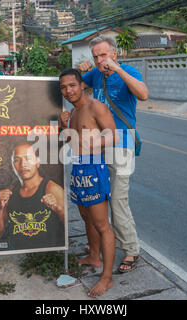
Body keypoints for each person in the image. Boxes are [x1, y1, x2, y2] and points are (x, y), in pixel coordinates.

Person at [78, 35, 149, 273]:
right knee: (97, 198)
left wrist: (118, 70)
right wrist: (80, 70)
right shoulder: (95, 74)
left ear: (114, 54)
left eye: (103, 55)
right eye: (95, 57)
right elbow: (73, 86)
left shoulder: (127, 71)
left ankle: (131, 249)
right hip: (97, 145)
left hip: (121, 144)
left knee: (118, 200)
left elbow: (143, 94)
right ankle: (99, 245)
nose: (99, 60)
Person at [59, 68, 118, 297]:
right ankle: (94, 255)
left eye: (72, 85)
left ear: (82, 85)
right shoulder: (72, 113)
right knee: (86, 216)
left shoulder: (96, 107)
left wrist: (92, 145)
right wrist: (63, 127)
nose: (68, 91)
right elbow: (70, 142)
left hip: (94, 168)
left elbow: (113, 135)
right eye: (63, 87)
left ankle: (107, 277)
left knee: (103, 224)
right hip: (77, 169)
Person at [0, 143, 65, 250]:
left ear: (37, 162)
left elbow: (68, 228)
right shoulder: (10, 192)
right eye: (17, 160)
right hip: (17, 256)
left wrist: (59, 210)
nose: (22, 164)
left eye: (28, 158)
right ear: (12, 165)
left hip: (46, 255)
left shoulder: (52, 189)